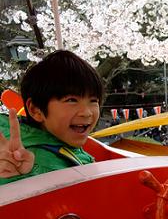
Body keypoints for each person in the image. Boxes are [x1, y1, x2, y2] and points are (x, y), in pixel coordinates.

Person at [0, 50, 103, 185]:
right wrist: (16, 178)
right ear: (35, 110)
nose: (87, 112)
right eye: (71, 100)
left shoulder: (62, 143)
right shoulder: (28, 162)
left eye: (93, 100)